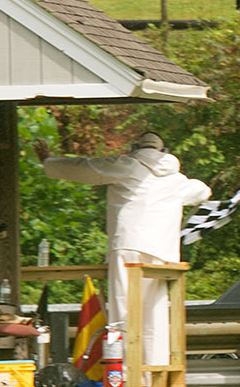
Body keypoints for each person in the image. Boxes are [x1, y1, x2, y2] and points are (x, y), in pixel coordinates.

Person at [34, 132, 211, 373]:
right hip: (162, 254)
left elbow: (87, 168)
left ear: (136, 147)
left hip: (128, 245)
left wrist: (50, 162)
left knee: (123, 310)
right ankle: (152, 375)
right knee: (155, 314)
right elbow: (202, 191)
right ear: (164, 151)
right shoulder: (175, 179)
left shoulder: (128, 165)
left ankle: (124, 375)